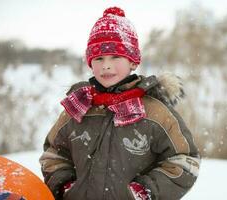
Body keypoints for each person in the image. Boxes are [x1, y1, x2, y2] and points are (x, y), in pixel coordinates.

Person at [39, 7, 200, 200]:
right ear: (90, 63)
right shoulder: (78, 108)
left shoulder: (154, 111)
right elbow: (54, 153)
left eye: (115, 56)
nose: (106, 65)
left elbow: (184, 160)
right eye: (99, 58)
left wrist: (145, 191)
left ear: (133, 62)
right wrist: (65, 184)